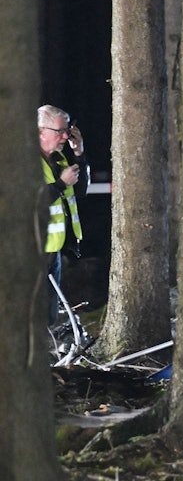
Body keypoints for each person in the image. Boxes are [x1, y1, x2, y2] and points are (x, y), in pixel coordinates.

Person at [38, 104, 89, 325]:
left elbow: (81, 190)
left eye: (67, 131)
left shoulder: (59, 160)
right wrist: (60, 184)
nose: (65, 137)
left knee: (49, 315)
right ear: (40, 131)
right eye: (60, 131)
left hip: (53, 250)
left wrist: (79, 154)